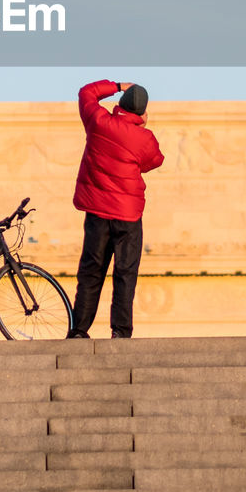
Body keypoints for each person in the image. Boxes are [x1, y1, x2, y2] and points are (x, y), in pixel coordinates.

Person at [67, 79, 165, 339]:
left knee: (91, 272)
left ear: (119, 105)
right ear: (142, 113)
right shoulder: (144, 137)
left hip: (97, 213)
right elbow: (155, 160)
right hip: (128, 217)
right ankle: (120, 331)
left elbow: (86, 92)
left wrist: (118, 85)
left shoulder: (97, 121)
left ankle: (79, 330)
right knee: (125, 273)